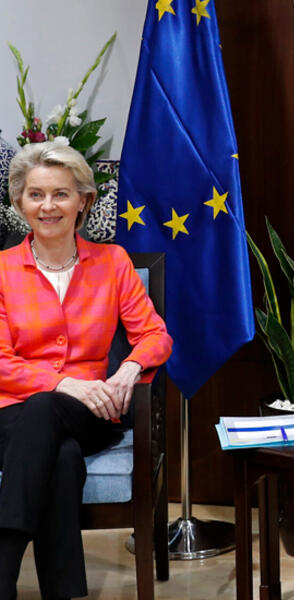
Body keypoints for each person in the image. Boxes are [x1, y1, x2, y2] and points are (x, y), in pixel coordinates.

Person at [0, 141, 172, 599]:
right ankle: (64, 593)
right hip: (11, 416)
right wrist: (63, 383)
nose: (48, 206)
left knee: (48, 414)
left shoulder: (112, 262)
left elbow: (156, 335)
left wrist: (130, 368)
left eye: (61, 194)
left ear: (83, 201)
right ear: (19, 203)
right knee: (61, 455)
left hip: (93, 414)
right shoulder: (0, 270)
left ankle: (3, 562)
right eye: (35, 195)